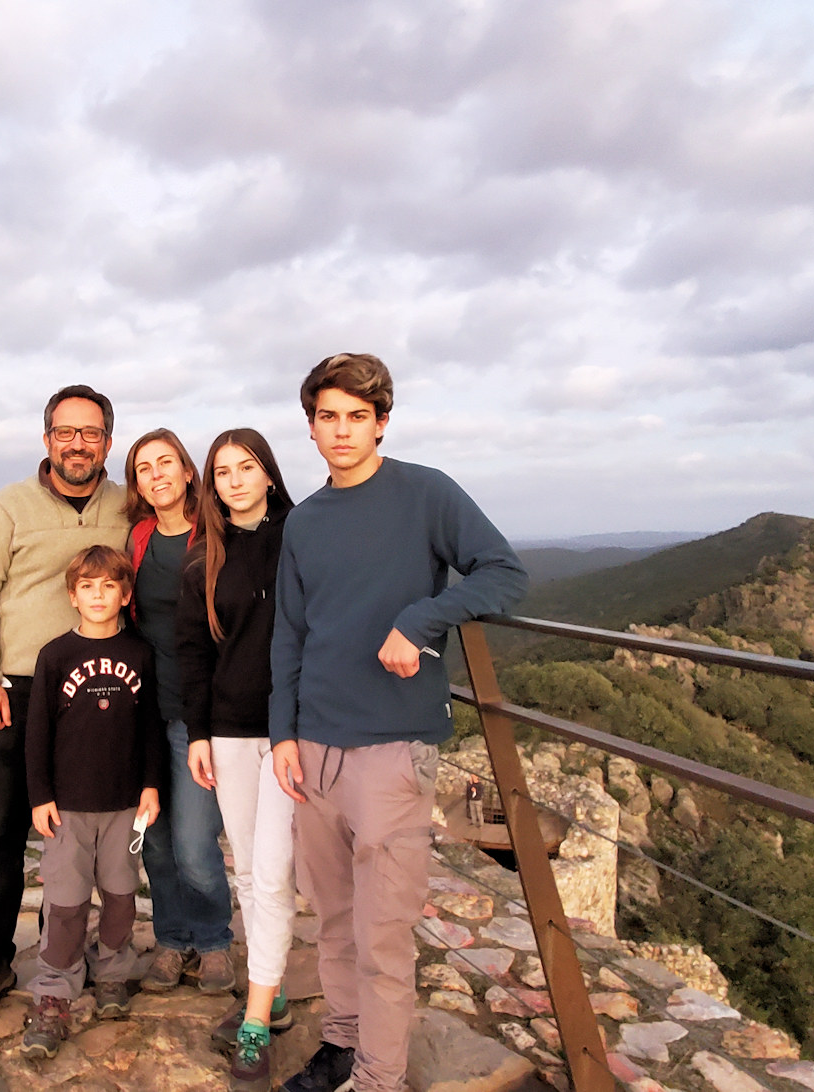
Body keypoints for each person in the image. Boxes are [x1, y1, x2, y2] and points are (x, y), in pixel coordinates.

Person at [269, 354, 529, 1092]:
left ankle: (378, 1079)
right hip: (314, 749)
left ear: (382, 421)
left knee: (382, 935)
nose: (342, 431)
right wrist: (283, 733)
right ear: (312, 425)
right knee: (334, 921)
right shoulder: (307, 521)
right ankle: (343, 1046)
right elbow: (289, 633)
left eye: (358, 416)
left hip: (391, 750)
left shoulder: (426, 493)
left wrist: (419, 619)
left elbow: (503, 573)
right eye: (328, 417)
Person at [0, 385, 129, 1036]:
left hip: (101, 687)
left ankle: (89, 954)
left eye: (90, 433)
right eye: (65, 431)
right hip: (22, 688)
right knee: (2, 828)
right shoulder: (10, 505)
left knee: (94, 826)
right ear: (47, 438)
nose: (77, 444)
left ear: (108, 441)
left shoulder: (126, 504)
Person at [176, 429, 297, 1092]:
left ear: (269, 474)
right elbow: (193, 654)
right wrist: (198, 733)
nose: (234, 480)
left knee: (273, 872)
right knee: (248, 871)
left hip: (289, 731)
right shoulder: (205, 561)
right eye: (221, 472)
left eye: (245, 467)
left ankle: (255, 1022)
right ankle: (270, 992)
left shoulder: (302, 537)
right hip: (228, 730)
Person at [21, 545, 164, 1059]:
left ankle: (112, 974)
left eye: (109, 586)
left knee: (122, 893)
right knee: (65, 900)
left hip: (125, 802)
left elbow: (151, 728)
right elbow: (36, 734)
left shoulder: (141, 653)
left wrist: (151, 786)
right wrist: (40, 795)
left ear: (126, 595)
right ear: (72, 595)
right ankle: (55, 989)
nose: (98, 595)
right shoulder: (54, 655)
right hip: (69, 806)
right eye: (88, 586)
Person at [124, 428, 236, 994]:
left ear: (189, 471)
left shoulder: (213, 534)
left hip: (198, 714)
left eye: (166, 462)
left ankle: (215, 939)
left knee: (194, 844)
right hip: (145, 708)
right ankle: (173, 940)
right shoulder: (139, 538)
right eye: (144, 468)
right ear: (136, 484)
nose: (157, 474)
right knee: (158, 843)